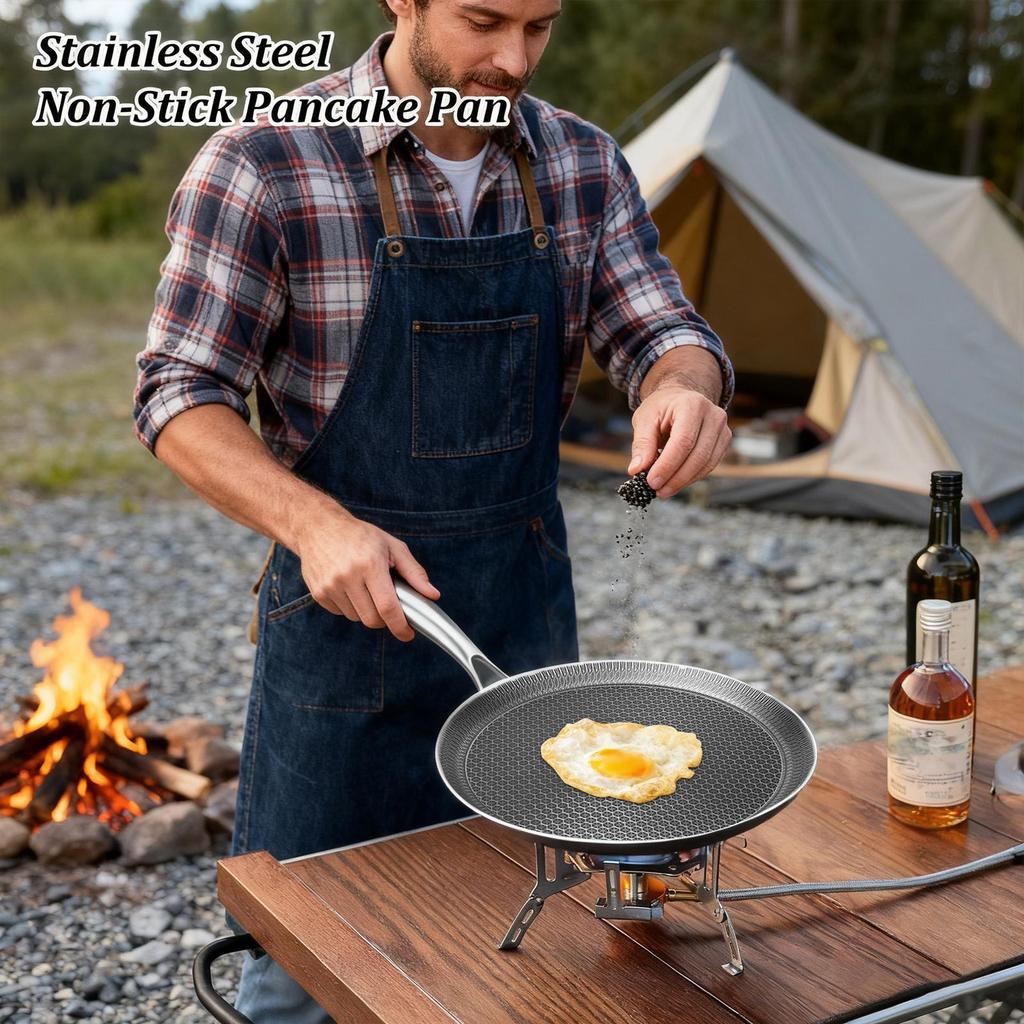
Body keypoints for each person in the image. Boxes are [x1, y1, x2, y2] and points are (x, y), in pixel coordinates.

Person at [133, 0, 733, 1019]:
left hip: (523, 635)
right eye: (482, 20)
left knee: (523, 957)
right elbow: (178, 395)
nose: (510, 60)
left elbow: (664, 326)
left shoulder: (581, 163)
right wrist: (314, 524)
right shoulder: (266, 163)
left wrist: (683, 386)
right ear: (400, 2)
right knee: (306, 969)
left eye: (539, 27)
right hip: (342, 647)